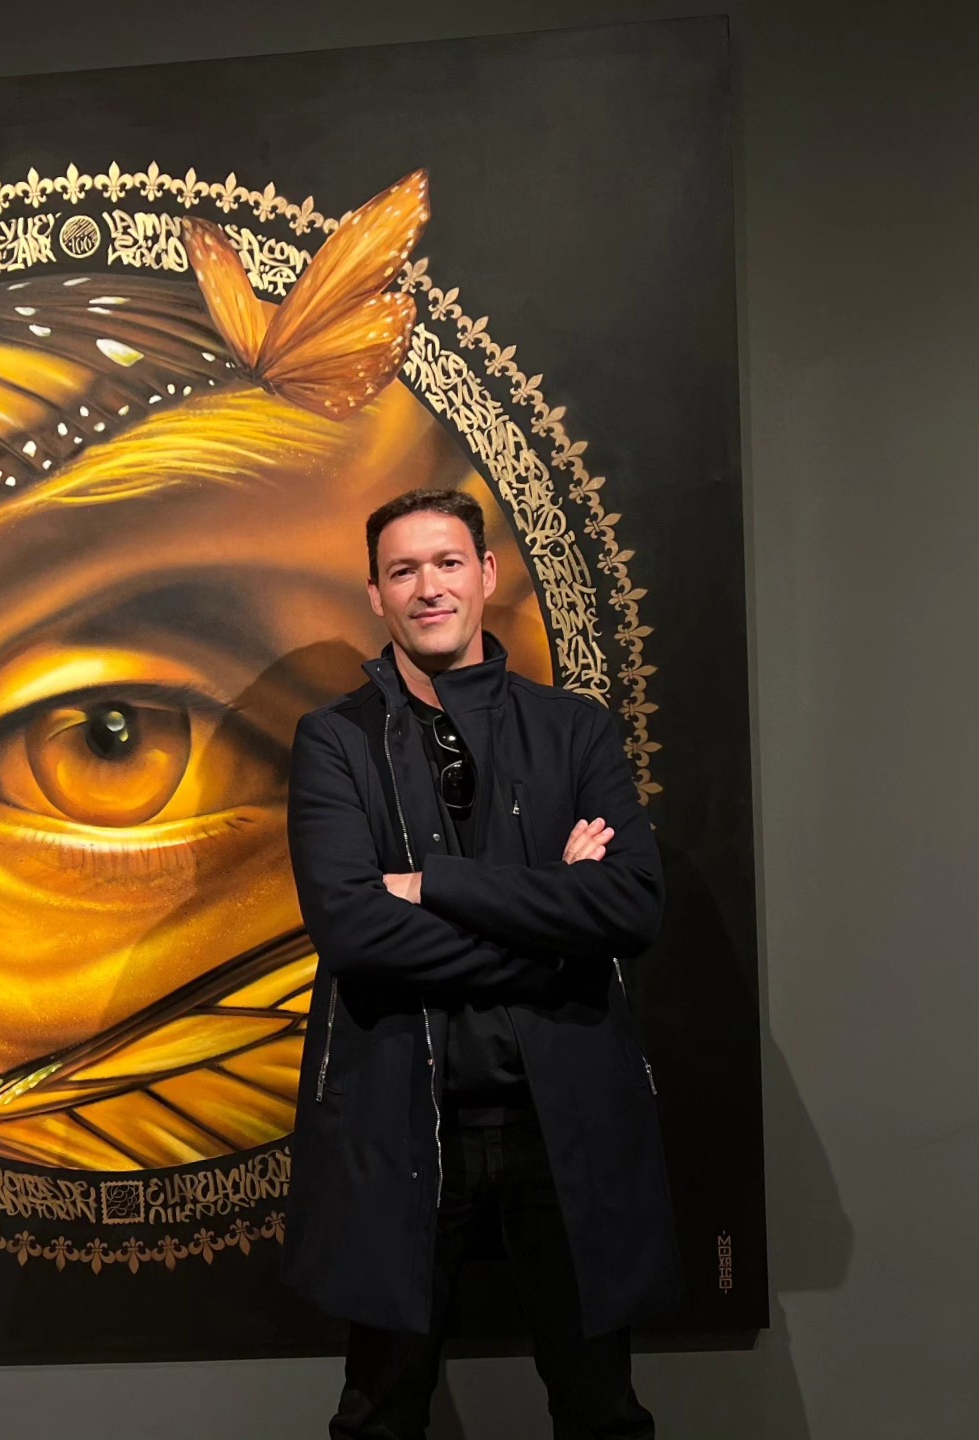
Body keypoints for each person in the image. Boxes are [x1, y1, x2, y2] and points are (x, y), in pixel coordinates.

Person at [284, 487, 680, 1439]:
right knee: (378, 1417)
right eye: (403, 570)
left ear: (488, 574)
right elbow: (354, 930)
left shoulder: (575, 730)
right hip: (400, 1123)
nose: (429, 587)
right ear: (376, 594)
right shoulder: (334, 741)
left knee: (602, 1412)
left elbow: (630, 905)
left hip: (566, 1122)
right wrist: (553, 933)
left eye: (448, 563)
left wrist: (435, 885)